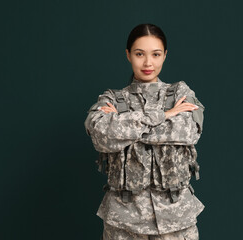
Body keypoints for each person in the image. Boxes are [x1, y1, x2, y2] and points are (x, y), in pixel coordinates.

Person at [84, 23, 205, 240]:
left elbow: (188, 131)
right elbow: (101, 135)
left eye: (156, 54)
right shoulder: (111, 98)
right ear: (128, 55)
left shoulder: (181, 93)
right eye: (139, 54)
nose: (148, 62)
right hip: (124, 223)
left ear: (165, 55)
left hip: (176, 221)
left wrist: (122, 125)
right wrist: (164, 116)